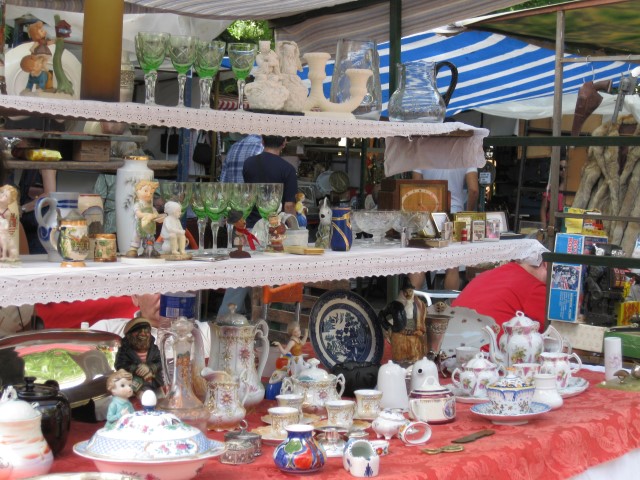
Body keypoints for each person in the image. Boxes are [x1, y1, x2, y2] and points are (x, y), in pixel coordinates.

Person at [409, 167, 479, 291]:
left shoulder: (420, 151)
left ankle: (413, 304)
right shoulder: (466, 152)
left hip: (427, 211)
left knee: (420, 261)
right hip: (454, 212)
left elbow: (416, 187)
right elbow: (473, 190)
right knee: (452, 266)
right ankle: (450, 306)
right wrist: (466, 212)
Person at [451, 257, 548, 340]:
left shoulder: (489, 273)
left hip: (448, 344)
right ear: (546, 264)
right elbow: (556, 329)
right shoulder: (533, 285)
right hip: (486, 352)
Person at [243, 135, 298, 228]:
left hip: (251, 225)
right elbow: (289, 206)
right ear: (284, 143)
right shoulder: (288, 169)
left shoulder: (248, 163)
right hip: (275, 228)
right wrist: (295, 229)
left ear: (262, 141)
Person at [114, 317, 163, 397]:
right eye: (138, 331)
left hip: (155, 384)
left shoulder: (154, 349)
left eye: (146, 331)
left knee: (161, 399)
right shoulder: (125, 350)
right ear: (130, 334)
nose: (143, 334)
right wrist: (137, 368)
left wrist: (150, 368)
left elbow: (160, 362)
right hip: (135, 387)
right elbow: (120, 365)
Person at [386, 277, 427, 364]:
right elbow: (383, 315)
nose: (408, 294)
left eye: (410, 291)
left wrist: (419, 330)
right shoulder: (397, 305)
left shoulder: (419, 305)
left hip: (414, 334)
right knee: (400, 356)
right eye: (406, 292)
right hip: (401, 334)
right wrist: (388, 327)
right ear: (403, 292)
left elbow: (421, 320)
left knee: (415, 355)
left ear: (413, 291)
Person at [126, 180, 166, 258]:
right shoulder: (138, 204)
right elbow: (138, 214)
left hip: (149, 226)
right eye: (145, 191)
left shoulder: (151, 206)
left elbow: (156, 214)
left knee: (149, 237)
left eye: (151, 193)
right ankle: (133, 249)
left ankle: (148, 249)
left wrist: (158, 217)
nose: (148, 194)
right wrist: (148, 215)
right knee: (136, 237)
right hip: (139, 225)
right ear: (137, 191)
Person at [540, 158, 567, 231]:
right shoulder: (552, 186)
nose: (563, 171)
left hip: (569, 222)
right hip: (552, 222)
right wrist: (544, 227)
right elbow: (543, 209)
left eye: (566, 168)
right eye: (561, 168)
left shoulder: (573, 186)